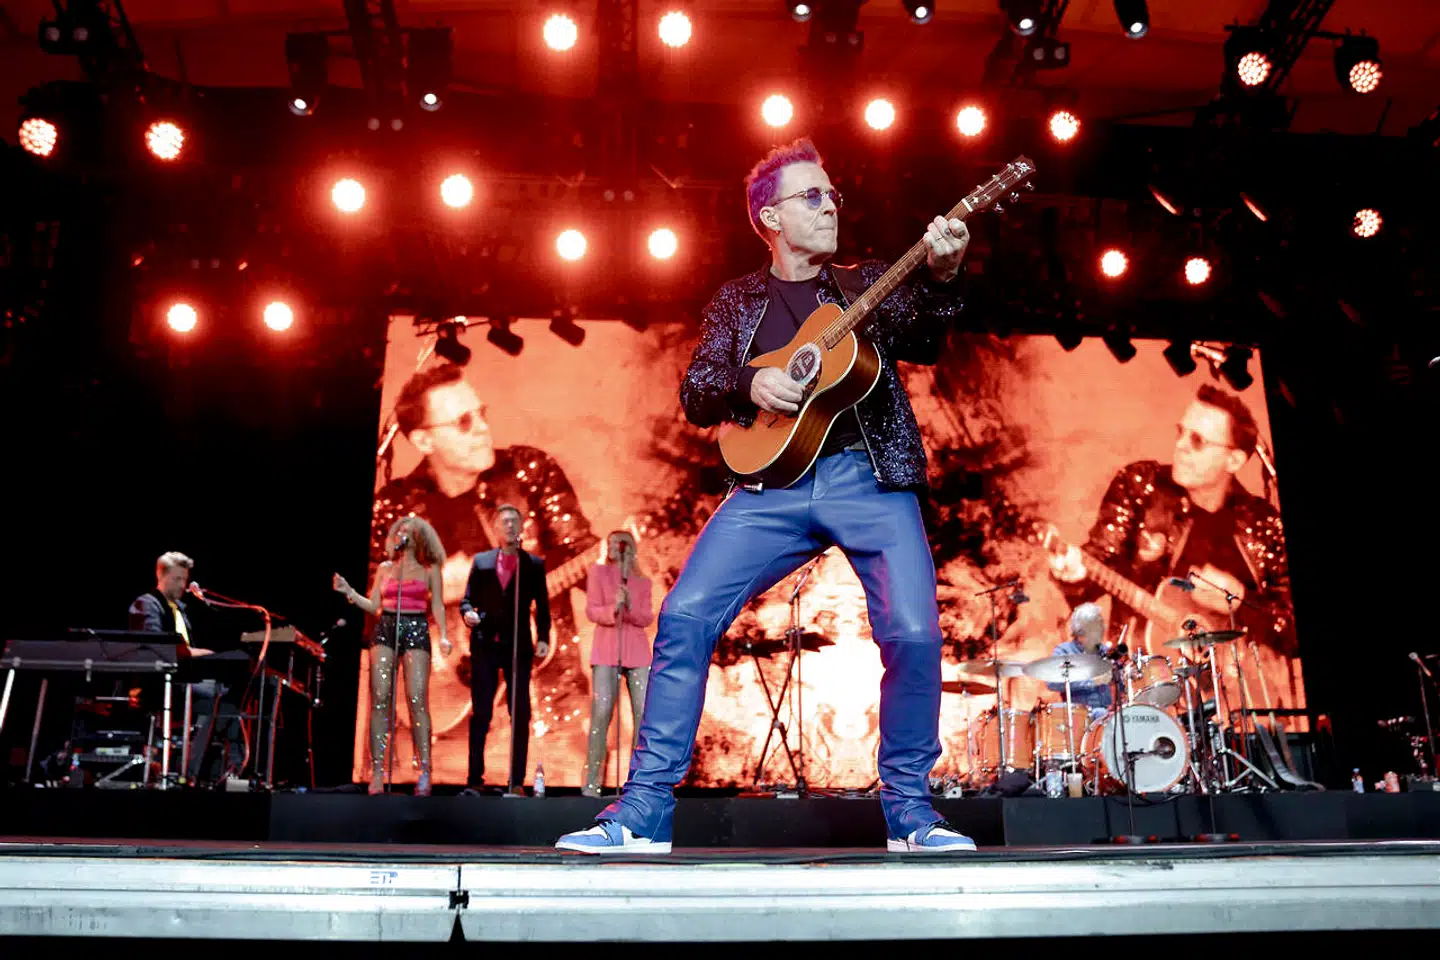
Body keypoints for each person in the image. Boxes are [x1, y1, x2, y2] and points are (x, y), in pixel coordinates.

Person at [556, 137, 974, 854]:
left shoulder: (865, 283)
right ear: (769, 218)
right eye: (812, 196)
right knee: (684, 617)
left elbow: (928, 338)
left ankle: (911, 814)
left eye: (833, 193)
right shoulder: (737, 299)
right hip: (770, 484)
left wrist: (943, 274)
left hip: (868, 476)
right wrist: (748, 383)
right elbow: (695, 390)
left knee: (914, 634)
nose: (830, 204)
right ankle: (644, 814)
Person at [368, 362, 598, 781]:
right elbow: (366, 611)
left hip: (551, 713)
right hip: (439, 726)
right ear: (423, 439)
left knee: (560, 833)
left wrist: (614, 580)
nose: (481, 429)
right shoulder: (396, 506)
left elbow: (579, 551)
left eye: (481, 413)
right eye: (462, 421)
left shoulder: (530, 473)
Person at [335, 516, 450, 796]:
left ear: (419, 537)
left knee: (416, 698)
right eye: (399, 530)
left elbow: (437, 605)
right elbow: (374, 604)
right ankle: (377, 770)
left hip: (416, 627)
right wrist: (349, 592)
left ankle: (424, 770)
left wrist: (444, 634)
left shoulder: (429, 569)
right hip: (385, 626)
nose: (402, 533)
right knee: (380, 697)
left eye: (408, 530)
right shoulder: (386, 569)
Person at [460, 503, 552, 794]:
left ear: (521, 527)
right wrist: (468, 614)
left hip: (518, 646)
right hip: (485, 644)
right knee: (482, 712)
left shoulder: (533, 564)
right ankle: (475, 778)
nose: (510, 526)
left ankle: (516, 780)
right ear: (497, 528)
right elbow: (467, 599)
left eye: (515, 521)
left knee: (520, 713)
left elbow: (543, 605)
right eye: (505, 521)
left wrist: (544, 638)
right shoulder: (483, 561)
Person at [129, 551, 222, 784]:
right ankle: (191, 770)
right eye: (177, 579)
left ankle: (207, 766)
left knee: (229, 695)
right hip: (159, 683)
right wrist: (198, 653)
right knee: (219, 695)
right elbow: (157, 644)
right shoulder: (147, 604)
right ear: (161, 575)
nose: (182, 585)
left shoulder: (180, 608)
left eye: (184, 579)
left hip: (183, 679)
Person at [582, 530, 655, 798]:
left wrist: (631, 606)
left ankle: (638, 783)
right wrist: (614, 607)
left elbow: (646, 617)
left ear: (629, 548)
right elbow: (592, 610)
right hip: (606, 650)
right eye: (610, 542)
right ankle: (592, 783)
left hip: (636, 651)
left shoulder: (643, 582)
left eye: (618, 543)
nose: (613, 547)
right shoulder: (597, 573)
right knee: (601, 712)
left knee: (643, 715)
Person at [1044, 603, 1114, 715]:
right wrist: (1091, 682)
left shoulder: (1105, 651)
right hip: (1078, 715)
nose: (1102, 630)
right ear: (1081, 630)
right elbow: (1052, 683)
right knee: (1100, 713)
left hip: (1108, 712)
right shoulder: (1064, 651)